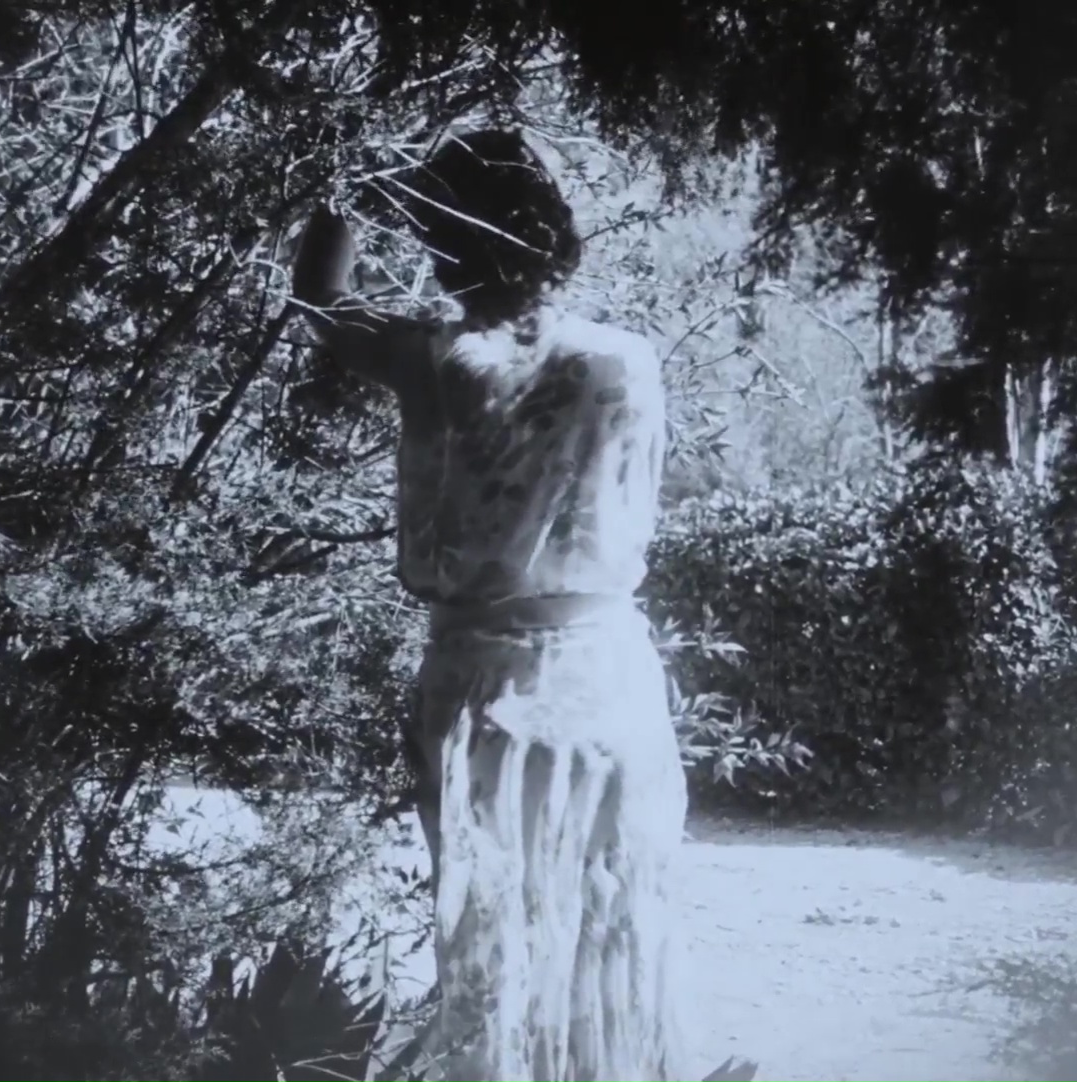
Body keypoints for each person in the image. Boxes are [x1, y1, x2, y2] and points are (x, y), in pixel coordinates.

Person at [290, 130, 748, 1082]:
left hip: (480, 682)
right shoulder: (626, 359)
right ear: (551, 228)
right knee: (613, 931)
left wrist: (352, 173)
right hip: (607, 677)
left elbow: (317, 301)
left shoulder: (437, 357)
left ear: (442, 238)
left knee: (491, 946)